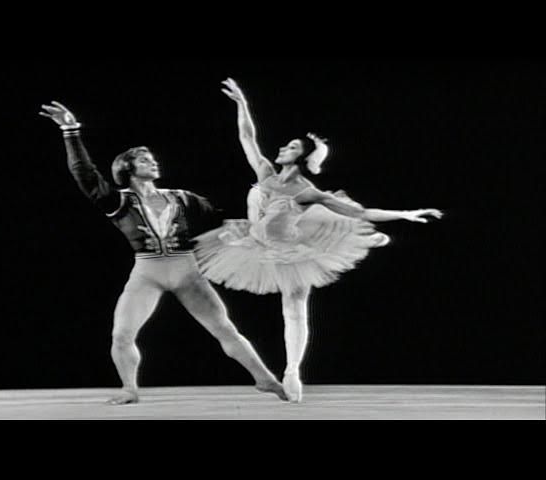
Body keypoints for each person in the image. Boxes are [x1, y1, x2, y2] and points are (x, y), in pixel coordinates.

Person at [194, 79, 444, 403]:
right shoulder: (265, 173)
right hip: (256, 240)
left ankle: (292, 370)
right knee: (297, 289)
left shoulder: (308, 191)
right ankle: (372, 241)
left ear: (302, 158)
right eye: (287, 145)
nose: (283, 147)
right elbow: (247, 137)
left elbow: (362, 211)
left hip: (291, 248)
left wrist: (408, 214)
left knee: (294, 308)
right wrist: (242, 103)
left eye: (293, 147)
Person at [40, 101, 287, 405]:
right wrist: (70, 130)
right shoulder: (118, 202)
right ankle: (130, 388)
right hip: (148, 273)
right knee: (122, 335)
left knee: (225, 328)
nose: (153, 162)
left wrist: (260, 216)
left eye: (152, 159)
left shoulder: (182, 198)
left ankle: (265, 379)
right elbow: (84, 174)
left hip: (188, 271)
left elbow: (221, 216)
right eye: (145, 160)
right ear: (127, 169)